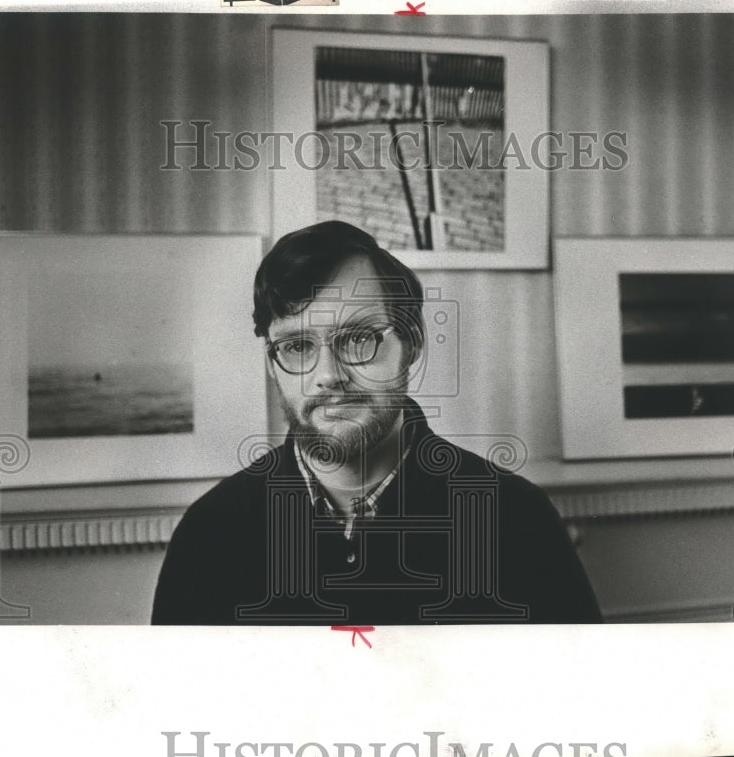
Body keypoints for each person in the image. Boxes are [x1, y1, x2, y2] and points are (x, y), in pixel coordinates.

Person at [151, 221, 601, 625]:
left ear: (412, 342)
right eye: (296, 346)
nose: (328, 376)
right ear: (272, 364)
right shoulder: (209, 533)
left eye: (360, 338)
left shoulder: (517, 519)